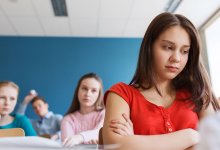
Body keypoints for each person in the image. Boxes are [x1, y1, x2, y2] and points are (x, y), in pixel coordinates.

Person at [102, 12, 220, 150]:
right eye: (168, 47)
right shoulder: (121, 94)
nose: (176, 58)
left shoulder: (197, 93)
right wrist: (191, 136)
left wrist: (134, 142)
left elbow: (213, 143)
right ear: (149, 47)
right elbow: (115, 146)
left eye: (185, 51)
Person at [61, 73, 105, 147]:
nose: (88, 94)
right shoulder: (67, 119)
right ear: (78, 90)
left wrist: (80, 138)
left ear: (99, 94)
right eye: (84, 88)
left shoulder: (104, 113)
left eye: (93, 90)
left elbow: (100, 133)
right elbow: (68, 145)